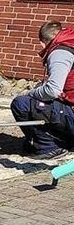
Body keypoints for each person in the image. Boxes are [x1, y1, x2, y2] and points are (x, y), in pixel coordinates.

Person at [10, 21, 74, 160]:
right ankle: (65, 140)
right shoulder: (71, 45)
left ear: (43, 42)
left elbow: (52, 91)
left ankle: (47, 147)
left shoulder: (61, 53)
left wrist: (30, 93)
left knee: (22, 103)